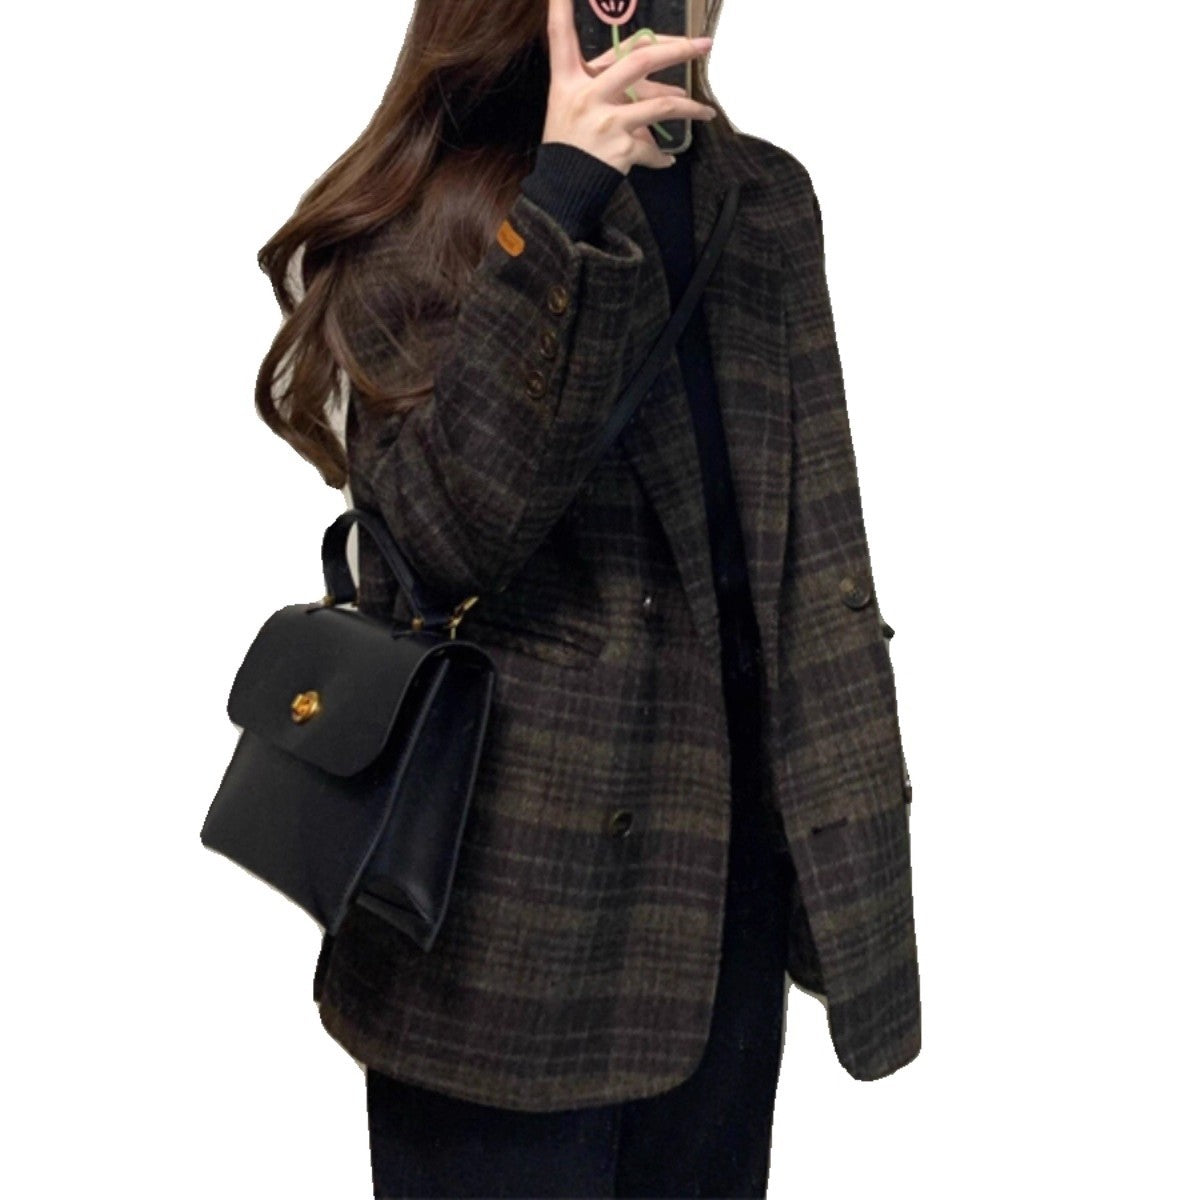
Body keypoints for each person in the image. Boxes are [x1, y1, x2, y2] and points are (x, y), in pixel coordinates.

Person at [256, 0, 920, 1195]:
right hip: (500, 908)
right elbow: (449, 541)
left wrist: (848, 826)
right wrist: (559, 204)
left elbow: (810, 540)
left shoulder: (764, 202)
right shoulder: (423, 219)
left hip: (721, 882)